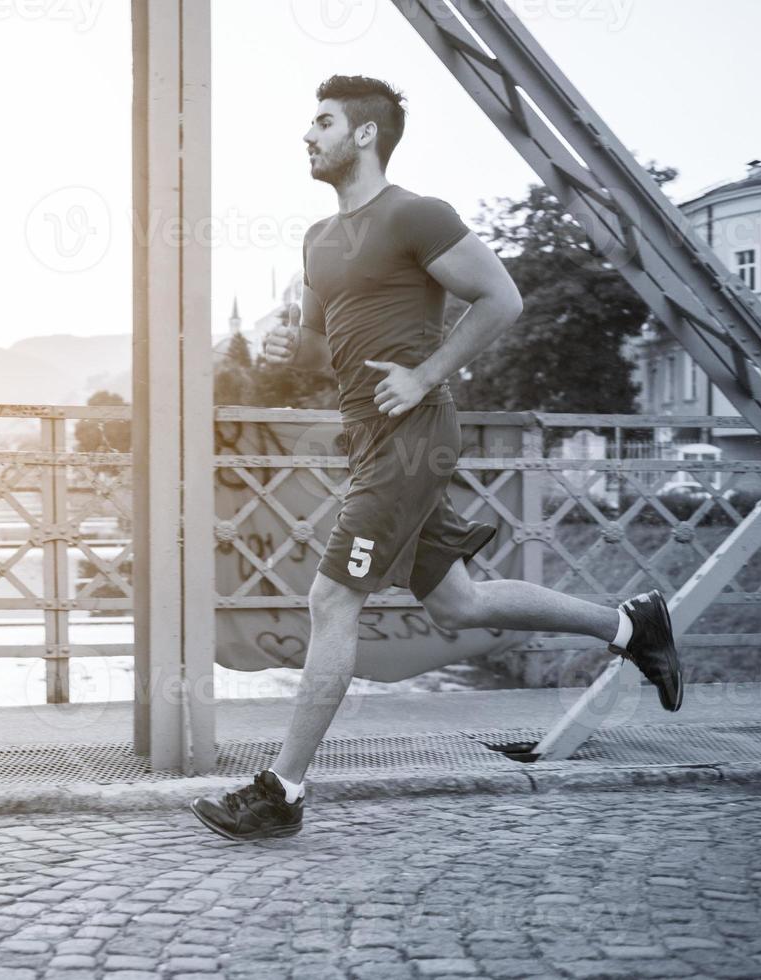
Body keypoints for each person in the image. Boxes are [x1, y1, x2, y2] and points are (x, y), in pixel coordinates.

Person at [190, 75, 682, 842]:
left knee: (330, 602)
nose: (306, 135)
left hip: (414, 438)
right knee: (460, 605)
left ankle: (281, 792)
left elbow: (501, 299)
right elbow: (322, 348)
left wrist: (425, 373)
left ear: (363, 134)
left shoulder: (415, 215)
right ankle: (629, 624)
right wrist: (289, 344)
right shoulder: (317, 242)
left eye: (321, 122)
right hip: (369, 439)